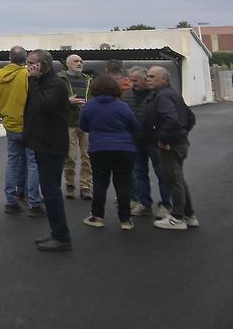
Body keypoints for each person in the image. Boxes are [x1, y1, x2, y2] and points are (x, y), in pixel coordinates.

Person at [24, 49, 72, 251]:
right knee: (49, 190)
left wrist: (33, 81)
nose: (28, 67)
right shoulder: (43, 83)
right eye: (27, 63)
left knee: (52, 191)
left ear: (43, 64)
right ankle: (56, 233)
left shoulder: (55, 84)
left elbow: (43, 105)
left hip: (52, 145)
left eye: (31, 63)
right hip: (42, 143)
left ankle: (61, 236)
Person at [78, 75, 139, 230]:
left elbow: (83, 126)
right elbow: (134, 126)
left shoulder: (88, 106)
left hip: (99, 149)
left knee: (100, 183)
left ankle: (97, 217)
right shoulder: (123, 106)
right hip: (124, 149)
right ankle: (126, 220)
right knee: (123, 184)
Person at [144, 66, 198, 230]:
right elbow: (190, 118)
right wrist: (182, 133)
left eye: (152, 76)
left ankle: (177, 217)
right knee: (178, 179)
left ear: (164, 79)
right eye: (148, 76)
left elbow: (171, 119)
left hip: (170, 145)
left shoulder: (163, 96)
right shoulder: (172, 94)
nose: (148, 79)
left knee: (173, 180)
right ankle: (189, 215)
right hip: (179, 142)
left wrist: (164, 139)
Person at [0, 46, 43, 216]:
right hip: (28, 125)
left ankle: (11, 200)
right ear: (25, 58)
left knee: (13, 161)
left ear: (10, 58)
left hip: (11, 125)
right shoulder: (27, 75)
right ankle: (33, 201)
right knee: (32, 162)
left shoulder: (0, 75)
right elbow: (34, 99)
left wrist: (1, 114)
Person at [122, 66, 172, 219]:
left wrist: (163, 137)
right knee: (139, 173)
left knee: (162, 173)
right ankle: (145, 204)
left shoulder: (158, 95)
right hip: (135, 141)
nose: (133, 84)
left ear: (145, 79)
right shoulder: (127, 96)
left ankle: (166, 205)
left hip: (154, 141)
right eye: (131, 80)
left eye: (136, 80)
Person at [62, 54, 93, 200]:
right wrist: (68, 101)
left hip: (86, 124)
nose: (80, 63)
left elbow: (94, 97)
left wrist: (90, 105)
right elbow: (55, 100)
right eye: (76, 61)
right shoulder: (61, 80)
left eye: (81, 61)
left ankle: (85, 186)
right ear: (68, 64)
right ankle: (69, 184)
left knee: (87, 156)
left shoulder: (89, 80)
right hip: (69, 123)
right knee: (70, 156)